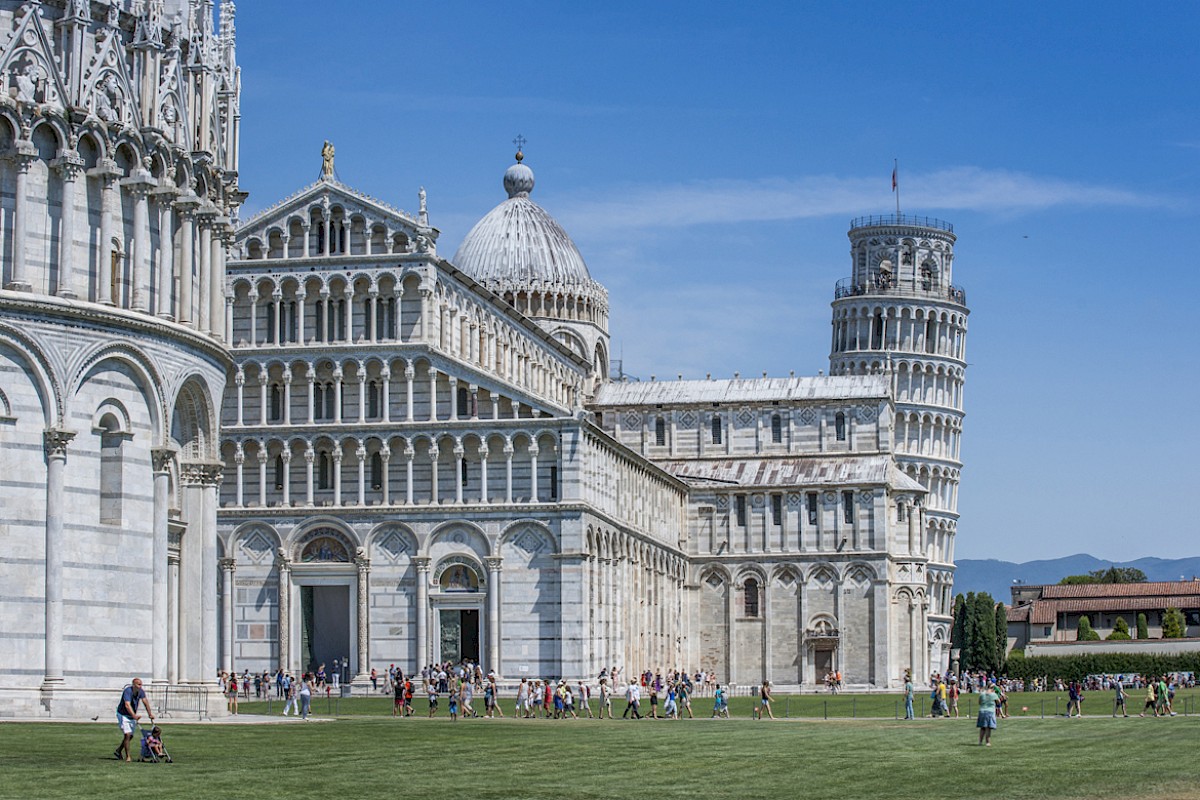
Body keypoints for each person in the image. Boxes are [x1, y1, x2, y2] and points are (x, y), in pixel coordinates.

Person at [115, 677, 155, 762]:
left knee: (130, 736)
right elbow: (127, 705)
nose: (140, 686)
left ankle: (118, 751)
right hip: (123, 714)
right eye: (138, 684)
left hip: (131, 716)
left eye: (141, 684)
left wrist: (150, 714)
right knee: (127, 735)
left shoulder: (141, 692)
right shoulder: (128, 691)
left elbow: (145, 702)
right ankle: (128, 756)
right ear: (133, 685)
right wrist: (134, 715)